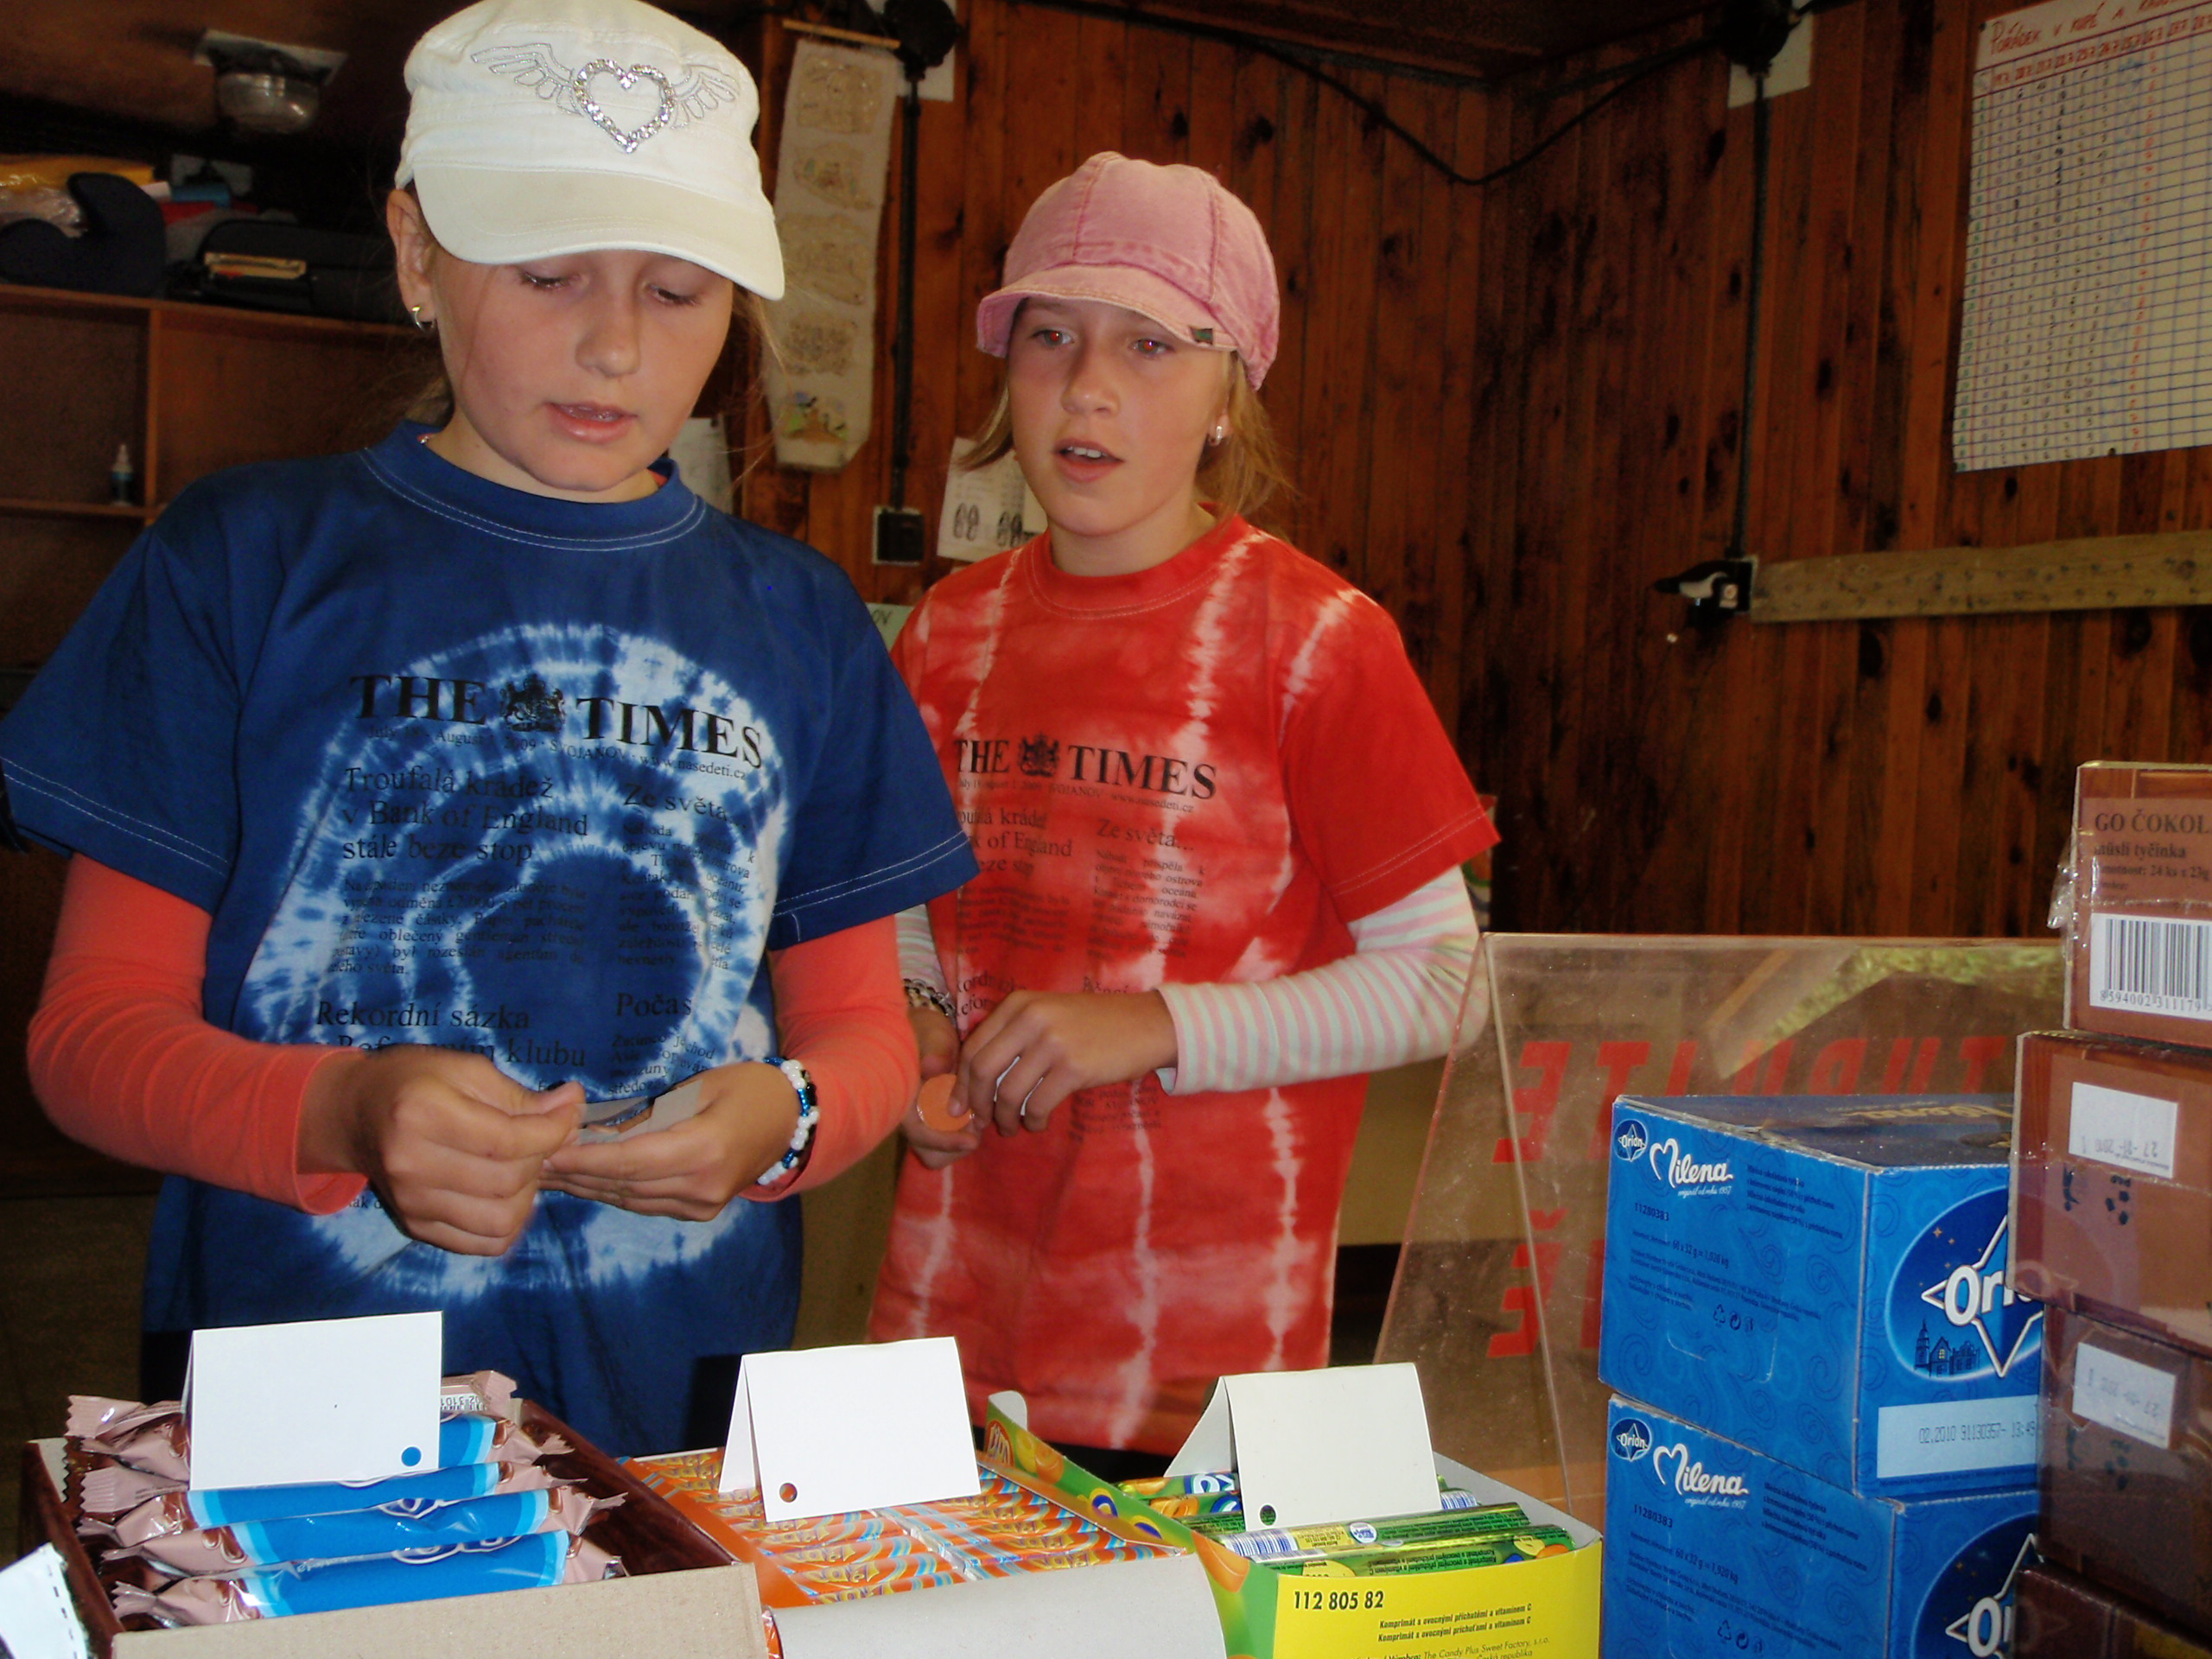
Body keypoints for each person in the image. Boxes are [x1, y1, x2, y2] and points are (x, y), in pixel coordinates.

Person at [0, 0, 976, 1458]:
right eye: (547, 273)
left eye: (678, 292)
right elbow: (90, 1036)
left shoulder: (802, 617)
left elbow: (861, 1030)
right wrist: (343, 1111)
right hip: (309, 1414)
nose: (612, 345)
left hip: (676, 1406)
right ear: (415, 253)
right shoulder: (242, 561)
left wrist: (789, 1117)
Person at [868, 152, 1498, 1465]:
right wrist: (918, 1028)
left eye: (1150, 345)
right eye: (1050, 336)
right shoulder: (946, 633)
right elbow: (907, 915)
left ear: (1228, 395)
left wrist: (1154, 1027)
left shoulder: (1319, 640)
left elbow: (1447, 985)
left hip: (1203, 1376)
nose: (1088, 387)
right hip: (952, 1331)